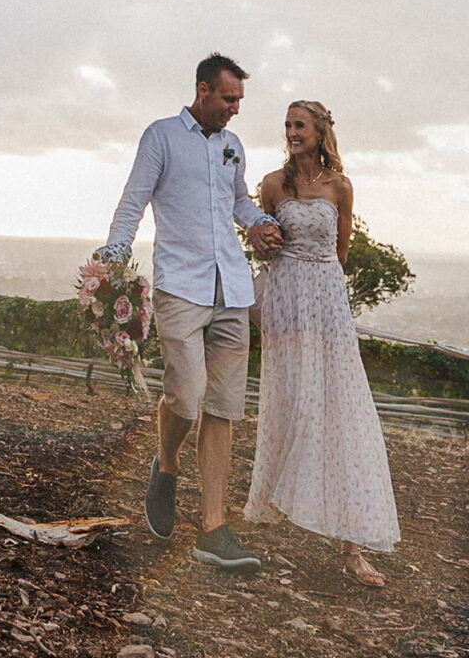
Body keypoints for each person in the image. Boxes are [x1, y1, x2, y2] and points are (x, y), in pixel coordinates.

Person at [95, 52, 282, 570]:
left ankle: (213, 529)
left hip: (233, 291)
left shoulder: (232, 147)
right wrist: (111, 263)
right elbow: (133, 201)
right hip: (180, 287)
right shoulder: (160, 137)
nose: (235, 110)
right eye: (228, 99)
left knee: (222, 406)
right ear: (203, 91)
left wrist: (259, 223)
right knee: (187, 393)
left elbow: (238, 202)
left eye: (239, 100)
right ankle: (168, 461)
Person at [245, 98, 399, 582]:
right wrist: (263, 242)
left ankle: (352, 549)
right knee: (291, 401)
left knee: (339, 408)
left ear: (320, 133)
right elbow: (262, 241)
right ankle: (281, 497)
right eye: (288, 125)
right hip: (286, 299)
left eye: (300, 126)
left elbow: (340, 252)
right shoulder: (272, 185)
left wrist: (320, 291)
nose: (292, 132)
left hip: (327, 301)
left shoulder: (340, 188)